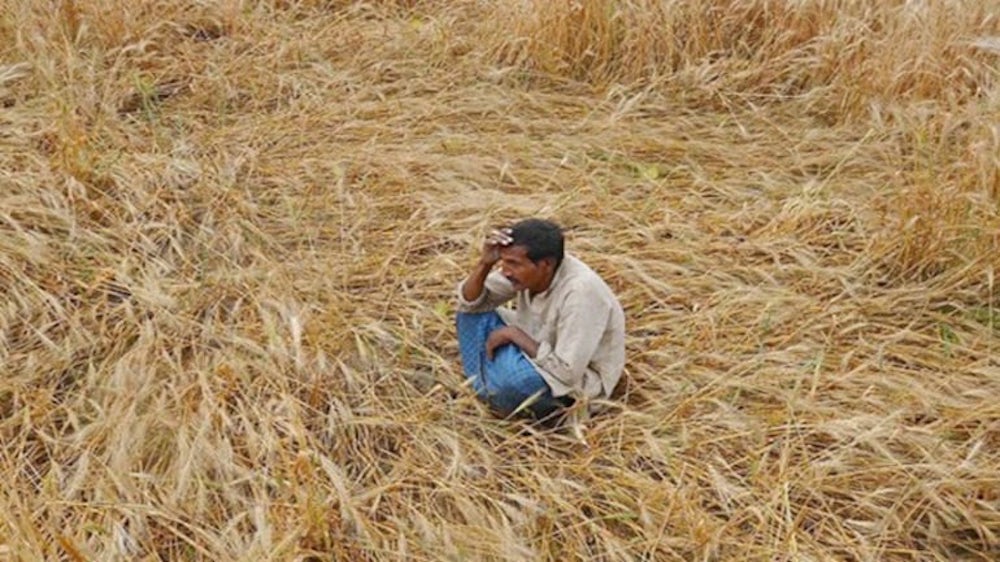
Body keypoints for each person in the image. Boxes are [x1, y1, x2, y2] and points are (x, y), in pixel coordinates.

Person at [455, 218, 626, 422]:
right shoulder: (527, 271)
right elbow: (470, 302)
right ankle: (493, 387)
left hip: (573, 385)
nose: (506, 271)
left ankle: (489, 384)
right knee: (469, 315)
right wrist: (485, 263)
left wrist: (513, 335)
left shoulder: (581, 292)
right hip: (537, 347)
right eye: (504, 262)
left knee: (518, 381)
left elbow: (567, 372)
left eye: (513, 264)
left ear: (545, 265)